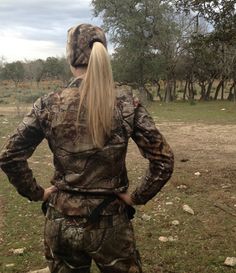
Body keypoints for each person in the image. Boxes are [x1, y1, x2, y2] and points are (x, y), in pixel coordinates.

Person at [0, 23, 174, 273]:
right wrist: (137, 196)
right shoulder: (126, 103)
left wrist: (37, 193)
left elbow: (10, 156)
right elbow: (163, 160)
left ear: (71, 58)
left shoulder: (47, 104)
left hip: (60, 221)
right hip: (111, 222)